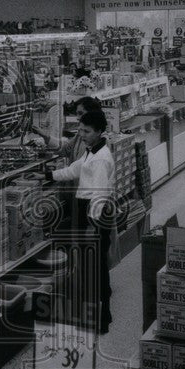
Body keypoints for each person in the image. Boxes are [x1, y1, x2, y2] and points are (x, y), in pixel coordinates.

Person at [49, 108, 116, 334]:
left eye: (86, 131)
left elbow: (99, 194)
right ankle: (95, 313)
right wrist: (50, 176)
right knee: (92, 265)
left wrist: (92, 226)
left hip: (94, 213)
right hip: (87, 211)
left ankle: (102, 319)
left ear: (99, 131)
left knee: (95, 267)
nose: (82, 134)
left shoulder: (100, 158)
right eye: (80, 129)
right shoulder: (91, 151)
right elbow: (74, 169)